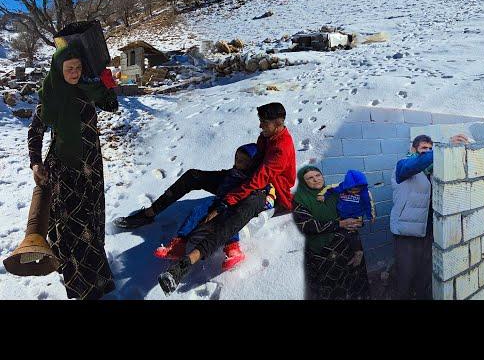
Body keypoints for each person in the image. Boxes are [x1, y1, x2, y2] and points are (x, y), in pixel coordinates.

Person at [156, 102, 297, 295]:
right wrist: (232, 174)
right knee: (194, 176)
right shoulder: (266, 136)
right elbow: (253, 167)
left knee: (229, 219)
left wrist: (225, 202)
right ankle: (151, 213)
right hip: (246, 181)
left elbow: (258, 181)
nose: (260, 126)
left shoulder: (281, 148)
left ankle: (183, 266)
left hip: (267, 192)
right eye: (260, 121)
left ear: (278, 123)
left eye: (264, 122)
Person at [27, 45, 119, 299]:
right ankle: (84, 288)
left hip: (92, 166)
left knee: (92, 221)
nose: (75, 72)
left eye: (78, 67)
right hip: (65, 170)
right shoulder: (51, 95)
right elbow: (35, 132)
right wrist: (35, 162)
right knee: (75, 227)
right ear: (59, 69)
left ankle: (94, 277)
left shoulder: (87, 89)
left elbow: (112, 105)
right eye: (69, 68)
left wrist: (106, 85)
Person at [113, 143, 270, 271]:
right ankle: (176, 241)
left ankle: (232, 249)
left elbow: (264, 191)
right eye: (236, 158)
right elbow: (230, 174)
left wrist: (269, 198)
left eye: (242, 160)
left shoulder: (255, 179)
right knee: (196, 200)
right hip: (223, 193)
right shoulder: (234, 172)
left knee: (227, 217)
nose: (237, 161)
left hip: (233, 202)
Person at [390, 133, 469, 300]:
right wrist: (443, 148)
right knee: (405, 276)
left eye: (430, 149)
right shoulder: (403, 166)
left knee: (424, 275)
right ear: (413, 149)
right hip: (406, 232)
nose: (427, 152)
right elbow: (413, 165)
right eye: (423, 148)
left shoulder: (432, 171)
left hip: (427, 231)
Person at [293, 165, 371, 299]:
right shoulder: (300, 200)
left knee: (355, 284)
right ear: (303, 181)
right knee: (333, 290)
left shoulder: (335, 193)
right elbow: (306, 226)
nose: (316, 180)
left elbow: (352, 213)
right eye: (310, 178)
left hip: (347, 247)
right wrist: (339, 224)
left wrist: (357, 226)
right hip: (324, 254)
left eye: (318, 175)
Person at [324, 169, 375, 252]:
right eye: (350, 190)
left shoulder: (364, 193)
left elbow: (368, 205)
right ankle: (350, 251)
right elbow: (330, 189)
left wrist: (370, 216)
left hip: (357, 215)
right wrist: (323, 195)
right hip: (343, 215)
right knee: (344, 233)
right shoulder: (341, 187)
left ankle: (357, 251)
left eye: (356, 190)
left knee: (353, 231)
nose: (353, 192)